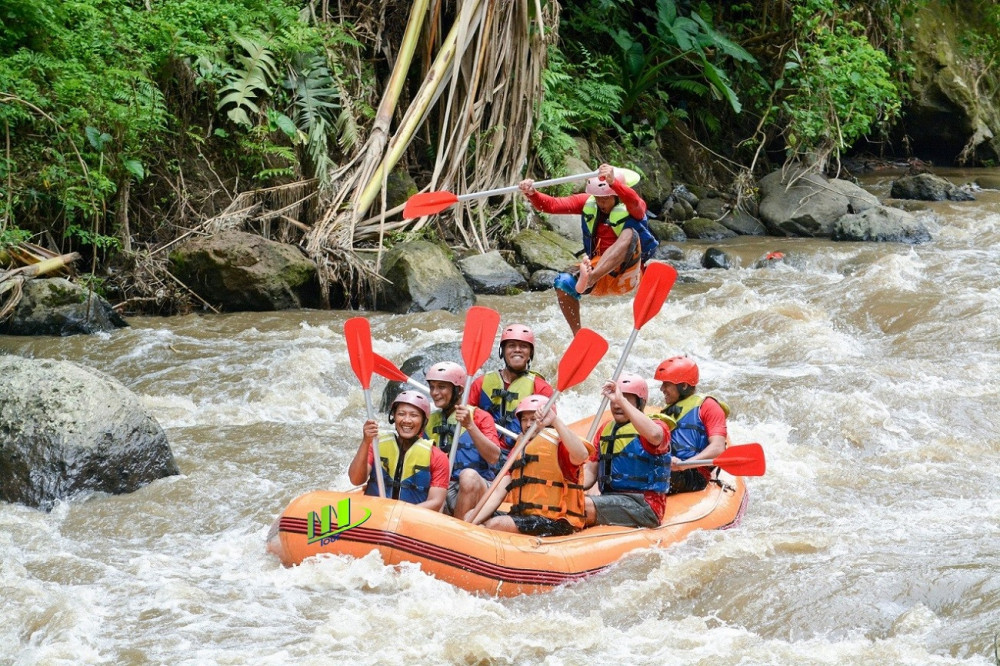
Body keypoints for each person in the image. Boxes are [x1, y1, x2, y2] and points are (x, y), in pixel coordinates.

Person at [519, 162, 659, 333]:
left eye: (606, 197)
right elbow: (552, 206)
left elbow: (634, 201)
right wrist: (532, 193)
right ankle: (577, 335)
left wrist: (615, 182)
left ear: (616, 194)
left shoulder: (634, 207)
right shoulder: (589, 203)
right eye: (598, 197)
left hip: (628, 273)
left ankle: (590, 278)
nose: (601, 202)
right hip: (600, 273)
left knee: (630, 233)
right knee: (563, 283)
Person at [472, 394, 595, 537]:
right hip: (526, 516)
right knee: (473, 515)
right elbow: (499, 492)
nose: (529, 424)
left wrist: (555, 420)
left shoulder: (560, 444)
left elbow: (581, 455)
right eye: (524, 420)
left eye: (533, 419)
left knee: (496, 524)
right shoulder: (520, 448)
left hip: (557, 521)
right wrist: (471, 522)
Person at [583, 373, 672, 528]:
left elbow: (655, 435)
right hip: (611, 499)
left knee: (580, 506)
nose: (617, 405)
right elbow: (591, 471)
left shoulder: (657, 426)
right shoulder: (605, 429)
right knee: (567, 502)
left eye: (626, 398)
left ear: (640, 403)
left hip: (644, 506)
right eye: (614, 399)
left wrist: (620, 400)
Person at [424, 361, 504, 518]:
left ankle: (458, 531)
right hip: (441, 487)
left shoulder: (479, 417)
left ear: (459, 390)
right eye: (432, 386)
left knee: (468, 476)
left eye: (441, 387)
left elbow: (495, 457)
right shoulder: (428, 420)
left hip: (476, 487)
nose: (434, 392)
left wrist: (470, 426)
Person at [347, 390, 448, 511]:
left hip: (412, 520)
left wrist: (397, 514)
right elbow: (356, 480)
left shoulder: (437, 457)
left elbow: (436, 502)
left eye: (414, 415)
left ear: (424, 421)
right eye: (401, 414)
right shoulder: (376, 444)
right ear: (393, 417)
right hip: (375, 514)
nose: (407, 420)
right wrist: (365, 442)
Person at [467, 323, 553, 451]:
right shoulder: (481, 383)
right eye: (511, 345)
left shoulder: (541, 388)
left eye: (523, 346)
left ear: (530, 353)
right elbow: (465, 419)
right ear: (503, 351)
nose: (517, 349)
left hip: (521, 451)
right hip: (485, 449)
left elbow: (550, 428)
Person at [655, 356, 729, 494]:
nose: (662, 388)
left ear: (683, 385)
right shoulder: (667, 412)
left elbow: (718, 448)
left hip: (694, 474)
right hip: (668, 468)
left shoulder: (708, 406)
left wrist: (683, 465)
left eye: (667, 384)